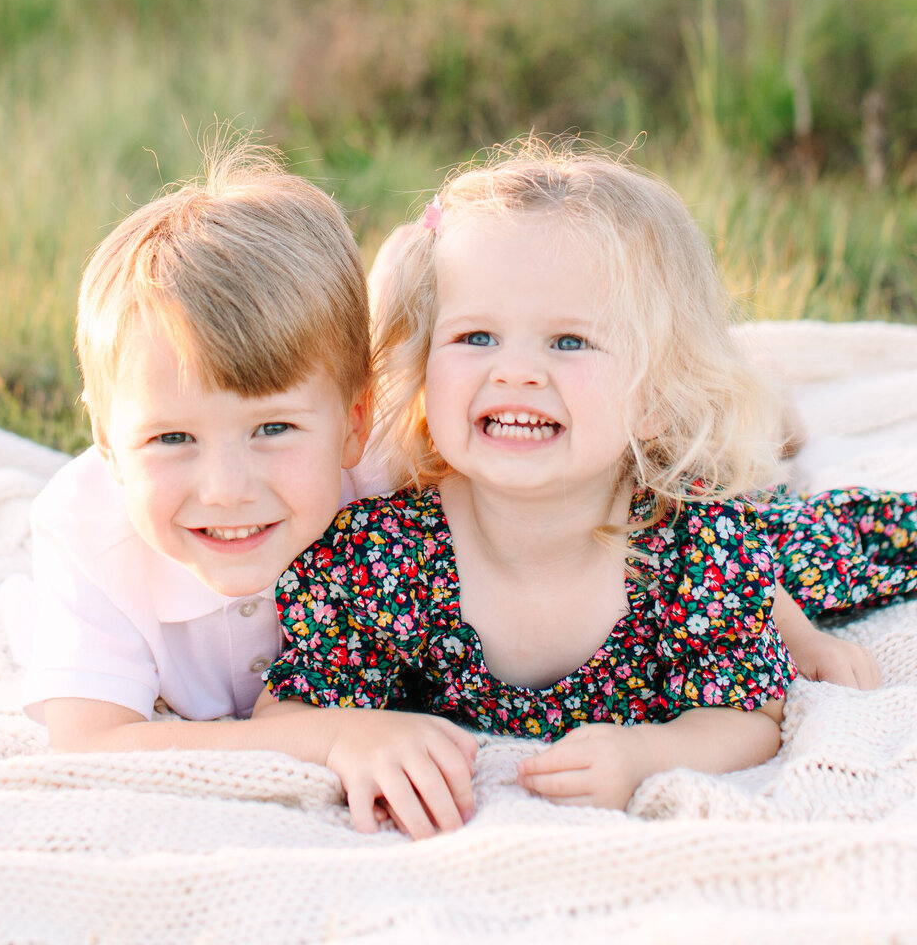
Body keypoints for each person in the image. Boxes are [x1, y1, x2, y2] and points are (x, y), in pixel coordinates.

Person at [264, 142, 903, 814]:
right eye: (476, 337)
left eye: (568, 342)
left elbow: (746, 715)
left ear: (655, 397)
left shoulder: (697, 548)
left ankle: (769, 412)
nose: (514, 371)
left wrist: (645, 756)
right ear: (424, 371)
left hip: (700, 513)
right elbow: (286, 710)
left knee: (807, 530)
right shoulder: (382, 559)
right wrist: (349, 735)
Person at [17, 145, 478, 834]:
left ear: (350, 426)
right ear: (110, 447)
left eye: (272, 427)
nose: (227, 490)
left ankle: (388, 298)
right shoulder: (84, 529)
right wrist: (329, 736)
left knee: (396, 364)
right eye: (172, 439)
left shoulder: (388, 482)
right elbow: (93, 744)